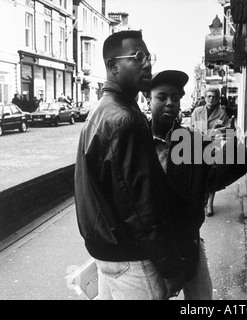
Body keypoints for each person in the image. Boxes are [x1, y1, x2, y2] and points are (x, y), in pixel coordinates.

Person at [74, 30, 186, 300]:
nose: (147, 63)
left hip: (105, 251)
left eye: (148, 56)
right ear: (113, 66)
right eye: (137, 57)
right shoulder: (125, 119)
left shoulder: (102, 110)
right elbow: (141, 206)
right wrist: (170, 268)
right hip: (130, 259)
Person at [147, 69, 247, 299]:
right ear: (148, 99)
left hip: (187, 238)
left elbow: (224, 173)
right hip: (151, 243)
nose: (170, 103)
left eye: (175, 98)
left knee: (201, 299)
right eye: (162, 97)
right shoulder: (137, 141)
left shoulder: (192, 141)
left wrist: (231, 142)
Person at [191, 86, 230, 217]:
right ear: (205, 97)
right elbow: (191, 129)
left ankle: (210, 204)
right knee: (199, 174)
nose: (211, 99)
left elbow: (226, 131)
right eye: (209, 96)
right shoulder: (197, 111)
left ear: (218, 99)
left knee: (212, 175)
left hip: (214, 147)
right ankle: (201, 200)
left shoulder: (222, 113)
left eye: (214, 97)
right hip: (198, 146)